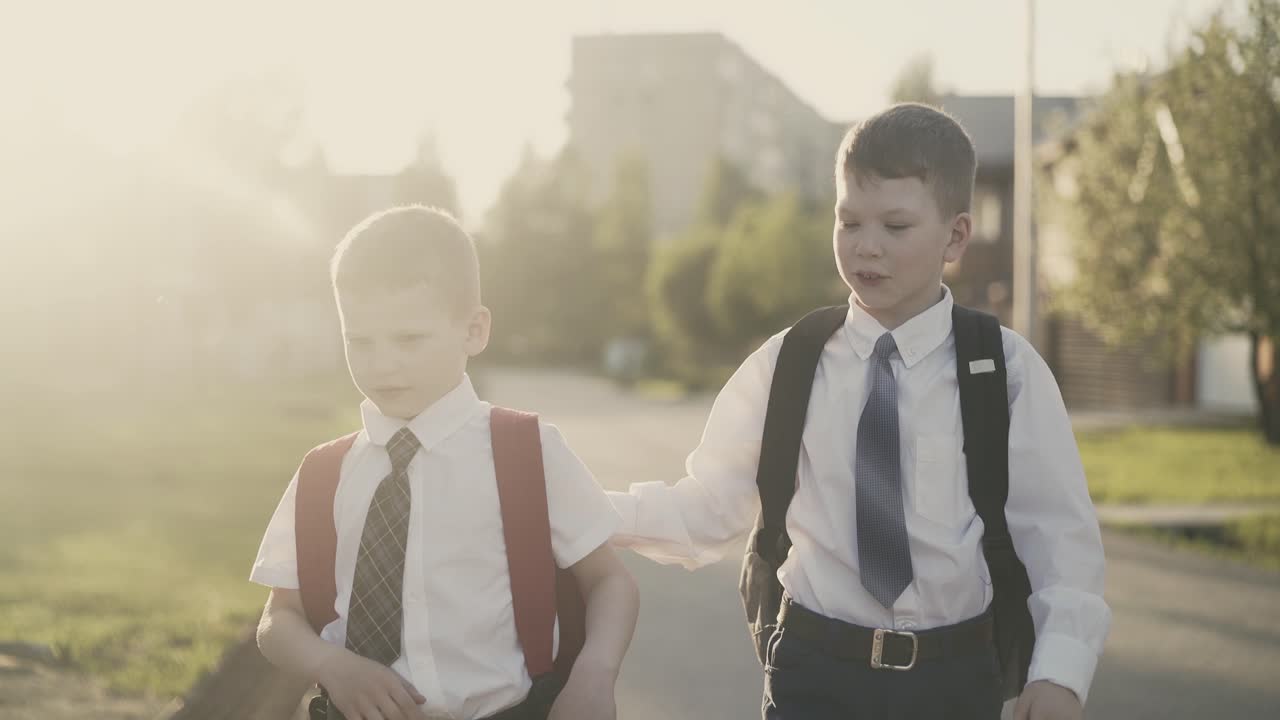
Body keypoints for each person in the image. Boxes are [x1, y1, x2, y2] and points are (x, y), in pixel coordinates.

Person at [609, 103, 1109, 720]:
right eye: (849, 221)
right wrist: (584, 511)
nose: (866, 246)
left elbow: (1061, 539)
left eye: (896, 226)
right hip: (814, 674)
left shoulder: (1003, 369)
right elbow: (708, 505)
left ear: (954, 236)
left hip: (955, 679)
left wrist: (1060, 672)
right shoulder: (788, 362)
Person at [252, 205, 638, 720]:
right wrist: (331, 665)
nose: (382, 362)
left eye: (408, 339)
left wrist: (596, 674)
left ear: (474, 331)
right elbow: (279, 618)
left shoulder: (527, 452)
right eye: (359, 342)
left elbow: (611, 581)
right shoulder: (323, 474)